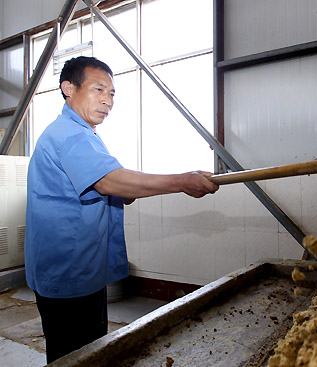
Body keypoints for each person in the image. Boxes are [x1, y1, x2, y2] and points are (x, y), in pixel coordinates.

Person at [24, 56, 219, 363]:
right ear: (68, 89)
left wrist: (125, 191)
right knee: (76, 356)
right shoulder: (69, 134)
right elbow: (108, 180)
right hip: (69, 271)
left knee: (89, 350)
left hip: (78, 269)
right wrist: (181, 181)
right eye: (98, 89)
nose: (108, 100)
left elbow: (109, 184)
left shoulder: (83, 134)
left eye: (112, 93)